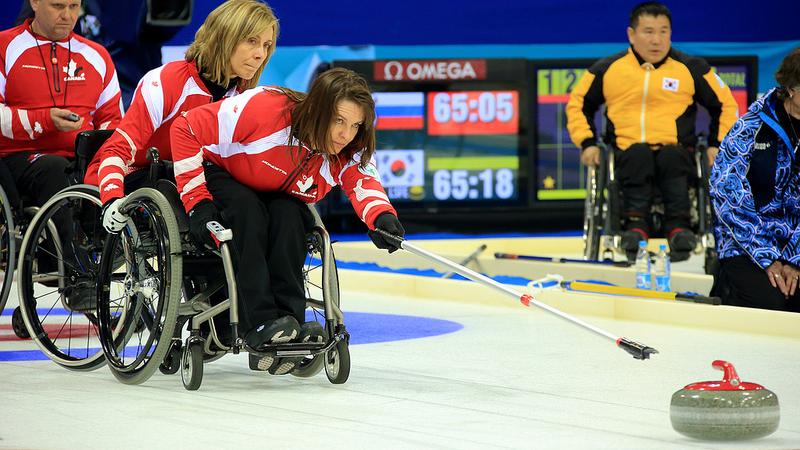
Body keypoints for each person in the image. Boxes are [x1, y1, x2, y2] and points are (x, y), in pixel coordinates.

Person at [169, 68, 405, 374]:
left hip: (277, 192)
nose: (346, 135)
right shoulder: (265, 109)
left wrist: (381, 217)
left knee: (291, 218)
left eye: (355, 125)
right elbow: (185, 128)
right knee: (248, 213)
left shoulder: (348, 148)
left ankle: (288, 325)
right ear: (318, 111)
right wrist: (197, 202)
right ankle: (260, 322)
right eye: (339, 121)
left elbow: (362, 181)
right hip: (224, 172)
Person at [566, 1, 739, 261]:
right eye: (648, 31)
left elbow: (726, 104)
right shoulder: (607, 69)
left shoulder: (691, 67)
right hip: (627, 153)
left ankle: (679, 227)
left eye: (663, 31)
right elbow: (577, 104)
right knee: (638, 155)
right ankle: (635, 225)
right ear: (631, 34)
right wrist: (587, 143)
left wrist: (717, 144)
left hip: (677, 153)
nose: (656, 40)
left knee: (672, 156)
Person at [91, 0, 278, 232]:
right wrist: (111, 198)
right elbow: (116, 149)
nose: (261, 54)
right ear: (224, 37)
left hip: (192, 179)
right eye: (252, 41)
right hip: (136, 176)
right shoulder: (167, 82)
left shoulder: (243, 97)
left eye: (267, 45)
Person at [0, 0, 122, 310]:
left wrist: (108, 157)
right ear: (35, 2)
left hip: (80, 161)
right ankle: (78, 276)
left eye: (74, 6)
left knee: (116, 171)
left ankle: (113, 257)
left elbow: (113, 122)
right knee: (55, 170)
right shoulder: (6, 47)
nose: (67, 16)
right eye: (57, 5)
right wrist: (44, 119)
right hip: (21, 157)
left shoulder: (97, 56)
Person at [709, 48, 800, 312]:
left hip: (795, 244)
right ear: (791, 88)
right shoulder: (750, 127)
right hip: (747, 243)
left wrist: (794, 259)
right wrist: (768, 258)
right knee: (769, 302)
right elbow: (727, 194)